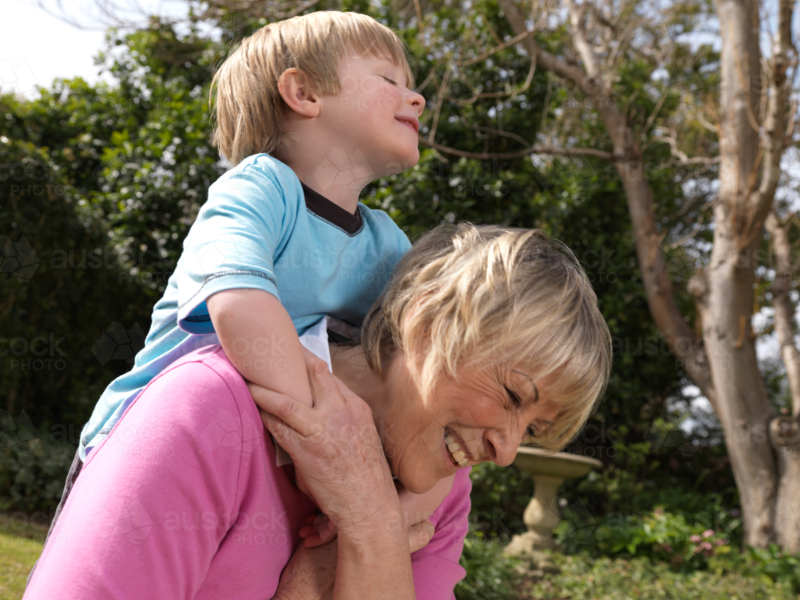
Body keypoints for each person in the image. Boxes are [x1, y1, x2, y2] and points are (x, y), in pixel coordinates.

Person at [24, 224, 612, 599]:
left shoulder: (441, 495)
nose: (506, 452)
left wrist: (371, 527)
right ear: (429, 318)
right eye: (512, 397)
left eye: (532, 428)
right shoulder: (208, 410)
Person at [59, 11, 452, 549]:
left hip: (259, 467)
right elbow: (240, 306)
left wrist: (386, 512)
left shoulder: (388, 243)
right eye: (390, 80)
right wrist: (326, 445)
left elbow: (427, 373)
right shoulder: (259, 190)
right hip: (148, 450)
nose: (417, 99)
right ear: (303, 93)